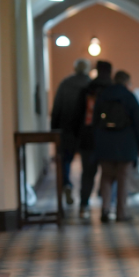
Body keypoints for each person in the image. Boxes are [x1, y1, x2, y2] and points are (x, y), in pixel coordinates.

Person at [93, 70, 139, 223]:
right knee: (123, 180)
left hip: (105, 144)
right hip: (126, 145)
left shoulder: (103, 96)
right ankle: (121, 213)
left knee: (106, 178)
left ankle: (105, 209)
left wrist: (96, 142)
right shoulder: (129, 97)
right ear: (126, 82)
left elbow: (95, 121)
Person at [75, 60, 113, 219]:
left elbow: (77, 115)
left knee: (88, 173)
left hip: (88, 137)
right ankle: (106, 207)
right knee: (108, 174)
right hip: (107, 137)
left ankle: (84, 205)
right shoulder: (112, 90)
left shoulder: (87, 90)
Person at [50, 58, 91, 205]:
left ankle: (67, 184)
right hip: (84, 130)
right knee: (87, 166)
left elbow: (57, 109)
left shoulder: (65, 83)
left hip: (66, 128)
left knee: (66, 160)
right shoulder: (89, 84)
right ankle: (84, 201)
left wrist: (54, 130)